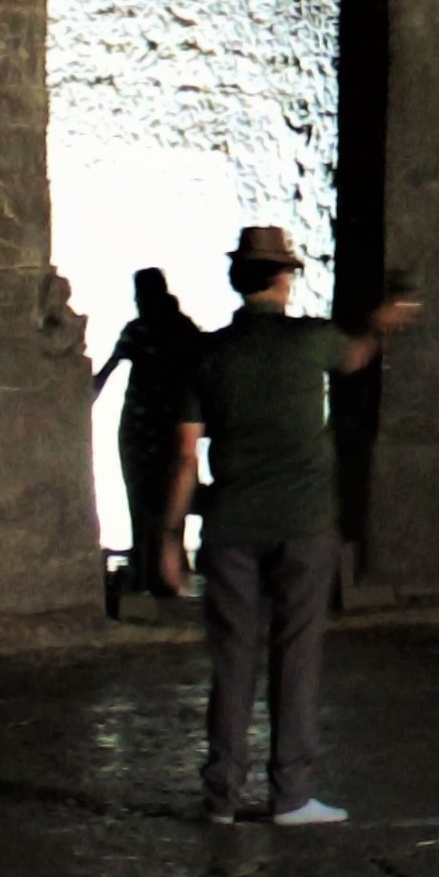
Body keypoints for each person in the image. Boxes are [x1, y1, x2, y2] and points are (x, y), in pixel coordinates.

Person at [161, 223, 404, 825]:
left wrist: (169, 538)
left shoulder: (208, 356)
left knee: (232, 661)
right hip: (303, 521)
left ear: (237, 280)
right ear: (284, 278)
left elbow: (186, 454)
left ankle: (220, 796)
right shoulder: (311, 341)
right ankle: (290, 794)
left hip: (230, 526)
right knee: (296, 654)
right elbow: (356, 354)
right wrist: (383, 319)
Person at [97, 265, 211, 614]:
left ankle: (153, 573)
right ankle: (166, 572)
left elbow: (106, 372)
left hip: (143, 432)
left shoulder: (141, 330)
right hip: (170, 429)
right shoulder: (184, 330)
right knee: (169, 500)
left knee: (146, 502)